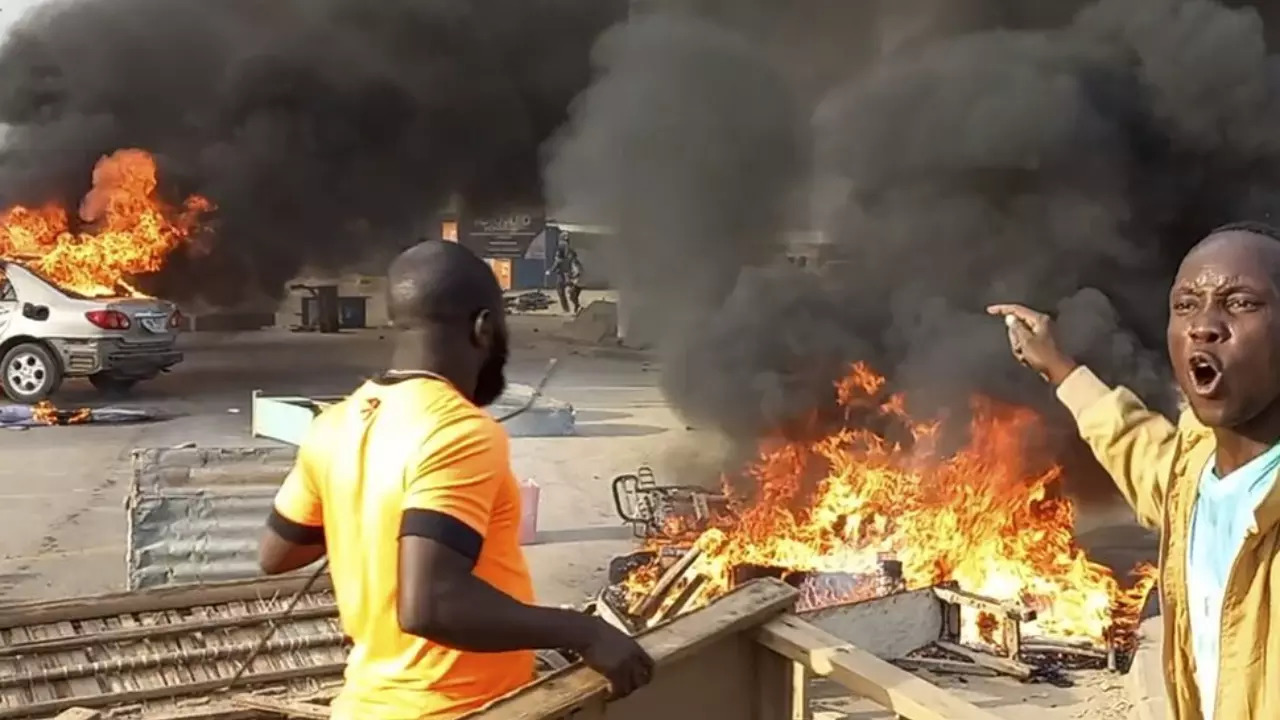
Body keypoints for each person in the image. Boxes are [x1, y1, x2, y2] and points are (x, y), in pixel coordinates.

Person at [258, 240, 653, 719]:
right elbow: (430, 606)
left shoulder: (336, 423)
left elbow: (278, 553)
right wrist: (584, 632)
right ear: (484, 328)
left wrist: (362, 507)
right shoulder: (459, 430)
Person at [988, 221, 1280, 720]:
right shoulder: (1192, 481)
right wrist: (1059, 367)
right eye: (1185, 305)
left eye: (1242, 302)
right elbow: (1136, 447)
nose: (1203, 325)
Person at [546, 233, 584, 314]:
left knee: (561, 290)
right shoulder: (571, 250)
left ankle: (566, 309)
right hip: (570, 274)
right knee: (572, 291)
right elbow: (575, 261)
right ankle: (575, 306)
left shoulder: (561, 247)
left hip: (563, 274)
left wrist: (551, 270)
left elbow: (558, 261)